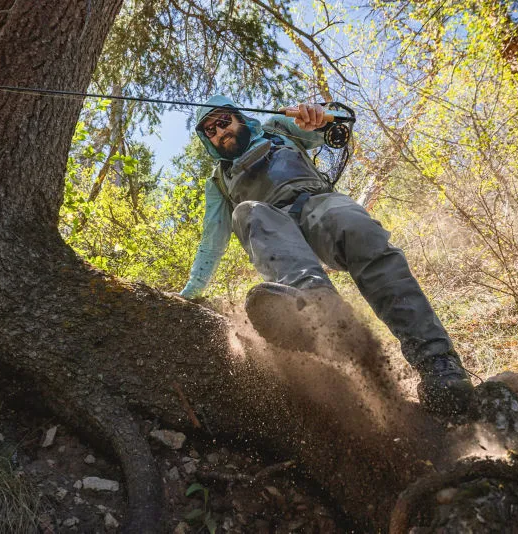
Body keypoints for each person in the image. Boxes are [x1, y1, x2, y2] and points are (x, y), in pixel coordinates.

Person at [179, 95, 473, 415]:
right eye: (209, 130)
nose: (219, 132)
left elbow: (333, 129)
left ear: (239, 118)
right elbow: (211, 242)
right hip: (273, 230)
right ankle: (319, 308)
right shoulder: (218, 182)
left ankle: (438, 364)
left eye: (223, 122)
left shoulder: (278, 128)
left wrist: (319, 117)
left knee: (359, 229)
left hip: (317, 207)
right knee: (247, 213)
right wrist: (189, 292)